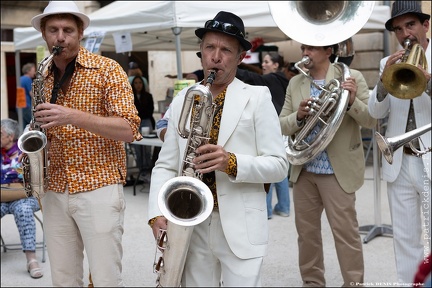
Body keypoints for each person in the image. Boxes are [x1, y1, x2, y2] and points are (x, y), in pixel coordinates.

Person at [147, 11, 288, 287]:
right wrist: (156, 212)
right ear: (200, 52)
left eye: (226, 50)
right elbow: (165, 165)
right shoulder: (182, 99)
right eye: (210, 47)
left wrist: (231, 162)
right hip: (190, 222)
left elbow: (279, 165)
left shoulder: (258, 98)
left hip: (242, 226)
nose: (216, 56)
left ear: (239, 57)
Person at [29, 1, 142, 286]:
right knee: (63, 279)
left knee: (105, 278)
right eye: (53, 30)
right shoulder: (42, 77)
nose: (60, 37)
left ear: (80, 33)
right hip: (55, 189)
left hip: (99, 186)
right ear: (44, 34)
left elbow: (129, 128)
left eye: (68, 30)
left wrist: (71, 116)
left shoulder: (108, 69)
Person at [279, 41, 376, 286]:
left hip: (336, 171)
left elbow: (371, 120)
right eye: (303, 49)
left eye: (311, 48)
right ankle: (312, 283)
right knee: (307, 235)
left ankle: (353, 283)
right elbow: (280, 124)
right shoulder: (295, 82)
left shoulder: (352, 77)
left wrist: (352, 101)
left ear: (328, 52)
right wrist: (299, 116)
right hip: (305, 170)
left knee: (346, 235)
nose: (305, 53)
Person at [368, 1, 431, 285]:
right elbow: (375, 113)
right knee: (405, 240)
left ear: (425, 25)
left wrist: (427, 82)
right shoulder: (386, 62)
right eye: (398, 28)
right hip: (400, 160)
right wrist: (383, 81)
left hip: (430, 158)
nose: (405, 34)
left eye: (411, 25)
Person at [237, 51, 291, 219]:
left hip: (272, 128)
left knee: (265, 167)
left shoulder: (273, 79)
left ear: (276, 65)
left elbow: (252, 77)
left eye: (267, 61)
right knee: (280, 169)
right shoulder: (284, 80)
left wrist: (232, 67)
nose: (263, 64)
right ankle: (283, 207)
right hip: (282, 129)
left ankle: (266, 210)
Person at [1, 119, 43, 279]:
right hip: (3, 198)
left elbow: (36, 180)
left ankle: (31, 260)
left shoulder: (24, 150)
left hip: (25, 197)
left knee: (23, 209)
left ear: (10, 137)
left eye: (0, 134)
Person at [131, 75, 155, 174]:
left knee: (147, 147)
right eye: (136, 83)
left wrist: (140, 113)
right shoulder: (130, 96)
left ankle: (148, 167)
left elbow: (150, 111)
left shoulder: (148, 96)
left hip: (146, 121)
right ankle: (141, 168)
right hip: (135, 122)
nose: (138, 85)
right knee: (138, 147)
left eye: (140, 83)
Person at [18, 63, 36, 130]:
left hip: (20, 105)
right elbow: (31, 93)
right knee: (33, 125)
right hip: (26, 105)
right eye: (33, 70)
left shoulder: (20, 78)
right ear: (28, 71)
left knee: (23, 127)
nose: (34, 72)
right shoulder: (28, 79)